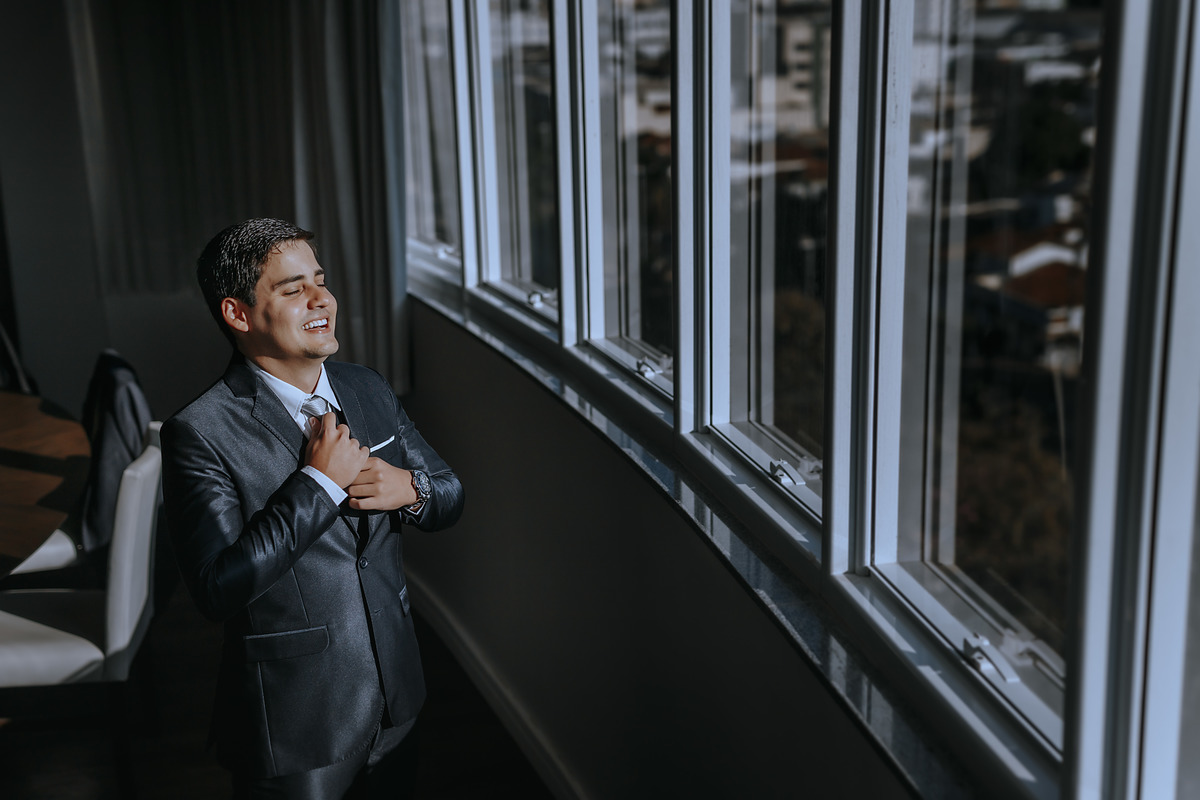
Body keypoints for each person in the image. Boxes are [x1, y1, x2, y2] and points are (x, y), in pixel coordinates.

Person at [162, 218, 464, 798]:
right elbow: (216, 588)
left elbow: (451, 494)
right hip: (297, 724)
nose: (322, 298)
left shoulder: (368, 388)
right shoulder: (197, 433)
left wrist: (412, 489)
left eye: (319, 281)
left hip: (398, 698)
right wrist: (318, 486)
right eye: (292, 288)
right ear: (238, 314)